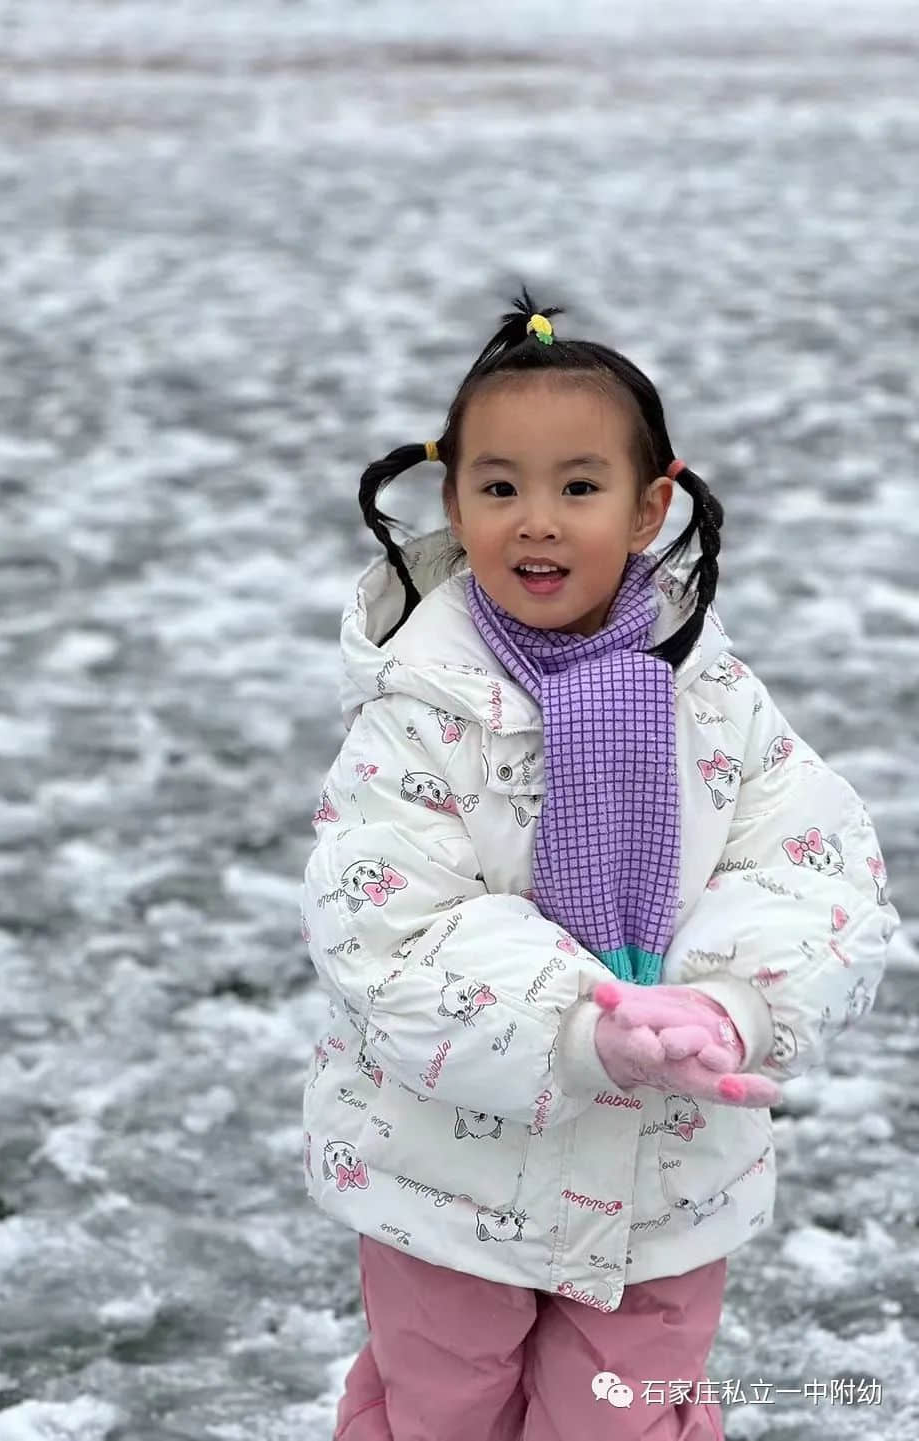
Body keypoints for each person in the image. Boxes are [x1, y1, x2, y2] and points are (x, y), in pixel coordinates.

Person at [299, 288, 898, 1441]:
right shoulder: (419, 709)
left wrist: (728, 1003)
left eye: (578, 487)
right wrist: (586, 1022)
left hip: (670, 1177)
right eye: (499, 487)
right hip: (448, 1177)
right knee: (441, 1408)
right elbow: (388, 927)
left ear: (648, 505)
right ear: (452, 499)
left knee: (626, 1416)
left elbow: (816, 869)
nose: (536, 520)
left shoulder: (711, 696)